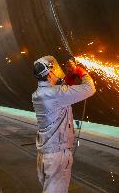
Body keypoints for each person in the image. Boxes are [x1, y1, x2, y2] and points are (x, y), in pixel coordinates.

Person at [32, 56, 96, 193]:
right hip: (57, 157)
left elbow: (60, 92)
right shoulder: (56, 94)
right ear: (49, 74)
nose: (57, 72)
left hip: (45, 155)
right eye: (54, 70)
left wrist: (66, 80)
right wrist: (80, 71)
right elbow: (90, 88)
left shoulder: (38, 94)